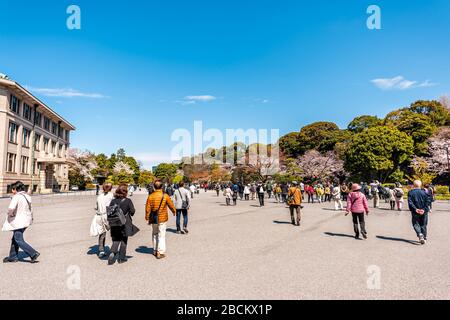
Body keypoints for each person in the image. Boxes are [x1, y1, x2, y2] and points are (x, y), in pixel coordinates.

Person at [2, 181, 40, 264]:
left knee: (18, 239)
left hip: (18, 221)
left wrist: (10, 215)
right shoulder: (27, 196)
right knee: (15, 238)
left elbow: (11, 208)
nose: (12, 191)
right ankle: (13, 257)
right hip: (26, 221)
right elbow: (31, 209)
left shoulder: (17, 197)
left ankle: (33, 253)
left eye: (13, 189)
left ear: (16, 189)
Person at [145, 181, 176, 259]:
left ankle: (155, 250)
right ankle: (161, 252)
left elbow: (148, 208)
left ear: (154, 187)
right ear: (162, 187)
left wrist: (147, 217)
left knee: (154, 233)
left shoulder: (150, 196)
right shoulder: (165, 195)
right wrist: (174, 211)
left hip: (153, 218)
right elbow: (171, 205)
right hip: (162, 218)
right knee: (161, 235)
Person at [108, 184, 136, 265]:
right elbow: (132, 211)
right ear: (125, 192)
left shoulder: (113, 201)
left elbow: (110, 212)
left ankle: (112, 252)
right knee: (124, 240)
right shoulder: (128, 201)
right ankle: (121, 258)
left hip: (115, 223)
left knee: (116, 239)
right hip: (125, 223)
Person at [91, 183, 113, 258]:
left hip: (100, 216)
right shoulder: (112, 196)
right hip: (108, 216)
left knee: (102, 234)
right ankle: (114, 248)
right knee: (114, 232)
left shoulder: (99, 196)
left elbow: (95, 207)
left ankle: (101, 250)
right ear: (111, 188)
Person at [408, 180, 431, 245]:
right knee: (423, 224)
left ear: (413, 185)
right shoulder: (425, 192)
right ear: (420, 185)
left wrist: (416, 209)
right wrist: (423, 209)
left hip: (415, 211)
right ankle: (424, 237)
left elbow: (410, 202)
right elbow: (428, 201)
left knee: (415, 223)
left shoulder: (410, 192)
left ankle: (420, 234)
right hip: (424, 211)